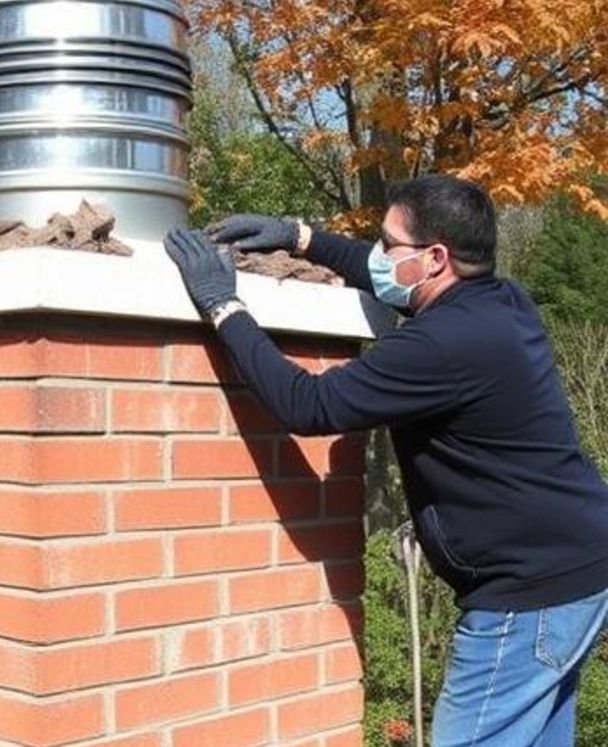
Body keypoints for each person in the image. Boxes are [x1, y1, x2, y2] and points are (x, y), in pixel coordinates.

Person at [163, 174, 608, 747]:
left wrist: (223, 306)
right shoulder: (500, 301)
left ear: (435, 259)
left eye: (387, 243)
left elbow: (310, 404)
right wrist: (301, 238)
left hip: (528, 596)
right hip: (578, 567)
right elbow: (375, 272)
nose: (374, 256)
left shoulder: (442, 343)